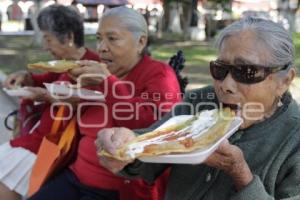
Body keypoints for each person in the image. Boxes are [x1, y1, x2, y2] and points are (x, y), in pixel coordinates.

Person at [96, 17, 300, 200]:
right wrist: (125, 145)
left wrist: (240, 173)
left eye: (246, 71)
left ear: (284, 81)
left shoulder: (294, 139)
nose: (225, 85)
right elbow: (154, 143)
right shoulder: (201, 100)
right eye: (220, 69)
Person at [27, 6, 181, 200]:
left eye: (112, 38)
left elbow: (152, 126)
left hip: (119, 187)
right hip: (76, 175)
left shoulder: (159, 74)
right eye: (99, 38)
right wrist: (72, 94)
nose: (101, 47)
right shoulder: (98, 73)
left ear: (140, 42)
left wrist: (107, 83)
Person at [0, 5, 100, 200]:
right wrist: (26, 77)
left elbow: (91, 101)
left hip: (55, 148)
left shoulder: (92, 67)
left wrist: (47, 96)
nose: (45, 46)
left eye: (48, 39)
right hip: (42, 140)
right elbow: (46, 79)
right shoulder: (65, 64)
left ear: (69, 37)